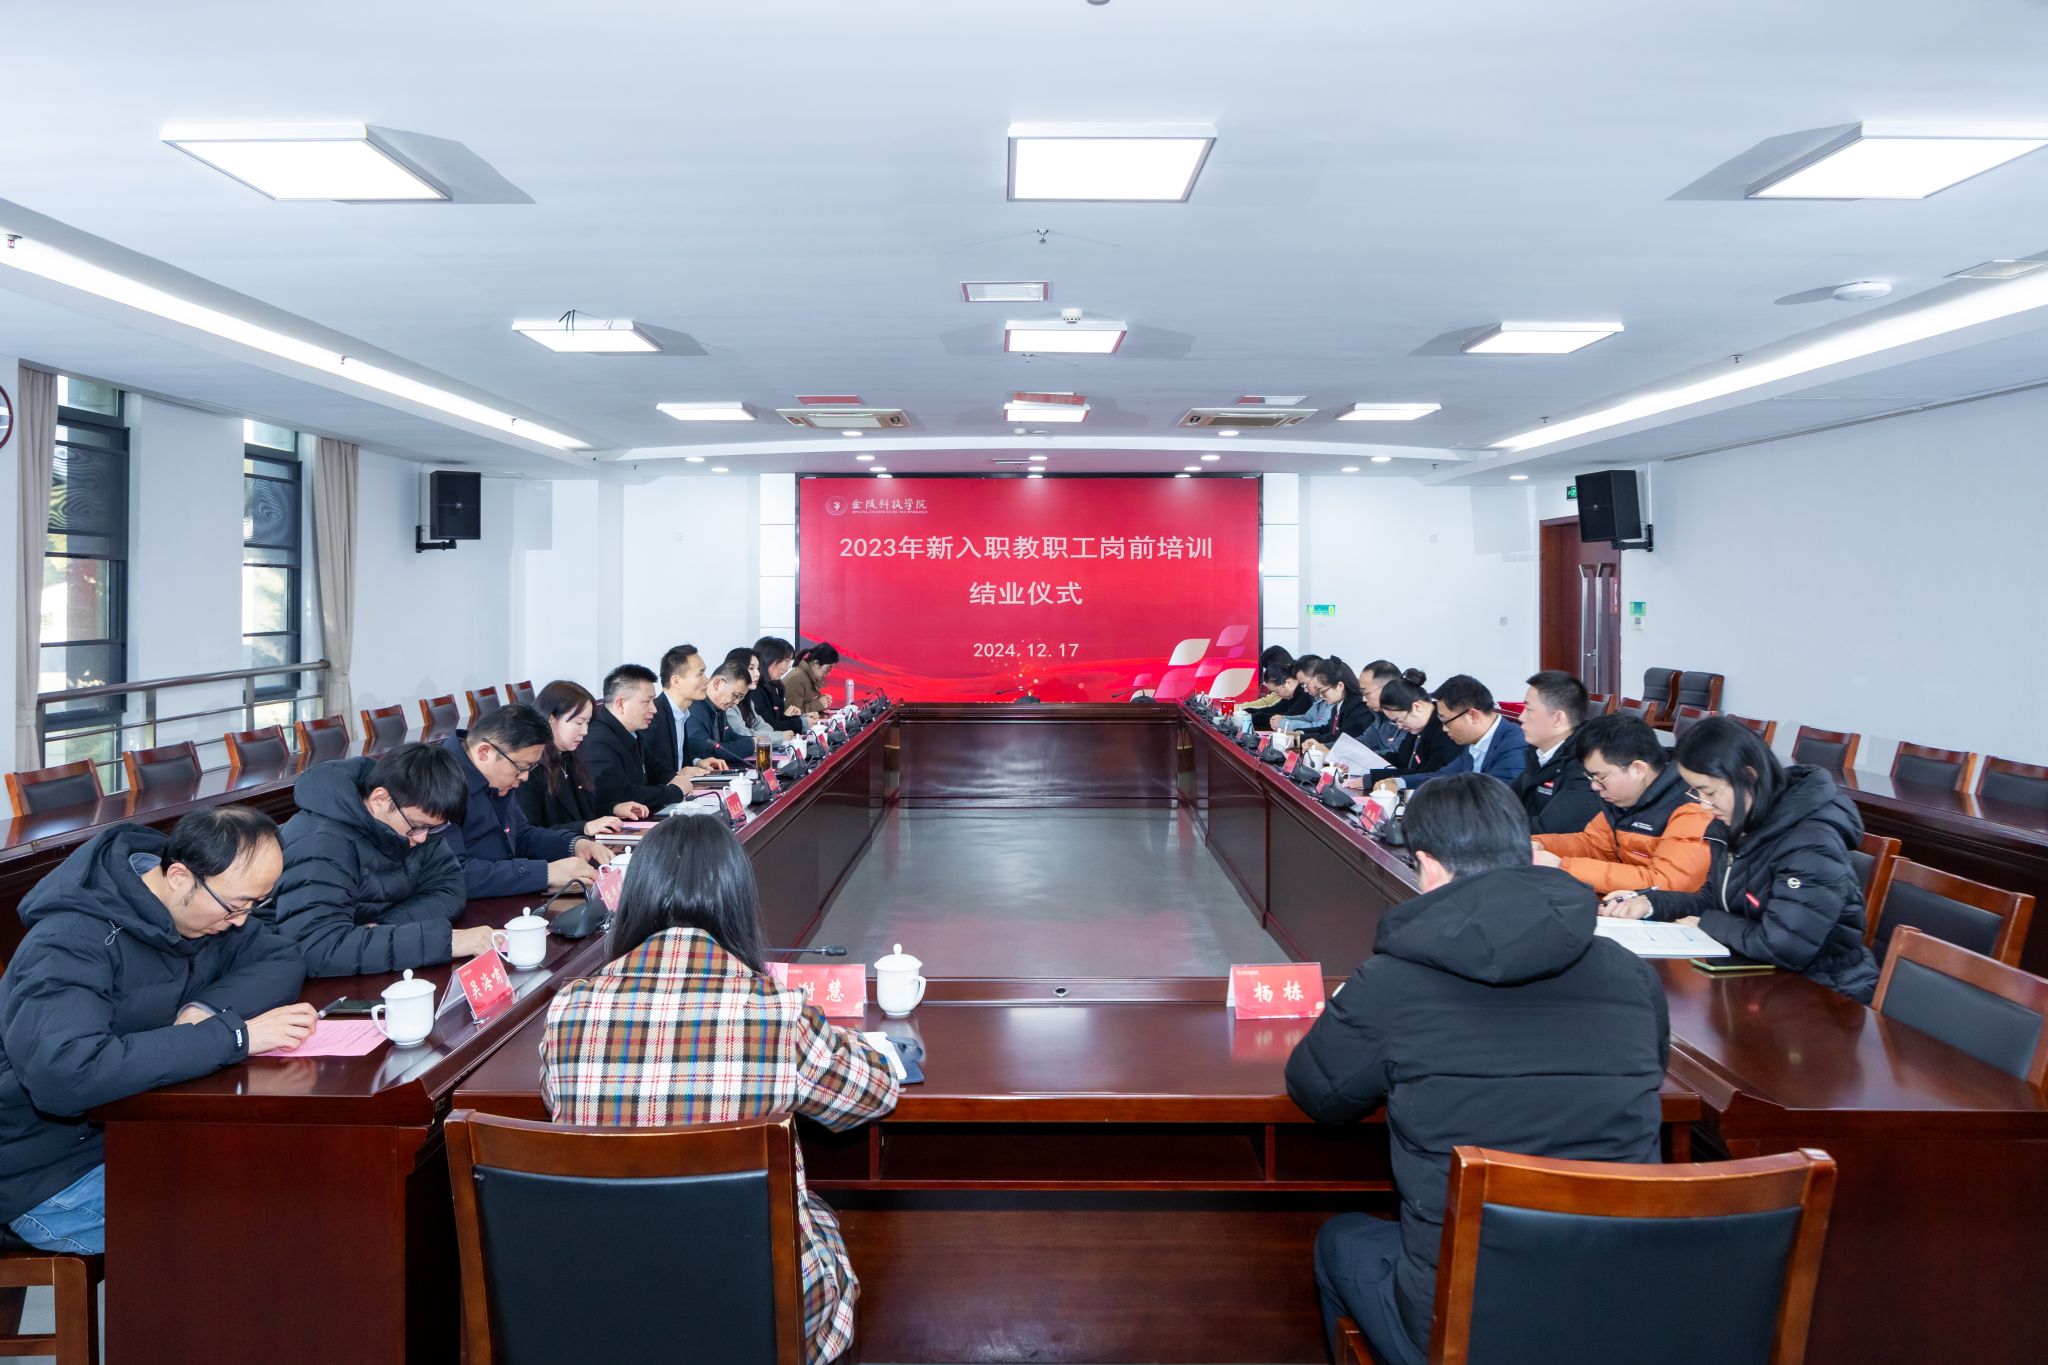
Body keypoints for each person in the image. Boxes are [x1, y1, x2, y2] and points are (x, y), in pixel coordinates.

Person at [1285, 774, 1668, 1365]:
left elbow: (1317, 1092)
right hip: (1626, 1305)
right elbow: (1651, 1070)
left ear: (1428, 866)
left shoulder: (1394, 982)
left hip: (1465, 1322)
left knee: (1342, 1240)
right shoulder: (1630, 972)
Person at [540, 815, 900, 1365]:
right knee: (820, 1220)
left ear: (634, 902)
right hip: (757, 1317)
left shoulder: (568, 1009)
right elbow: (875, 1093)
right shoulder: (779, 1015)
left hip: (601, 1313)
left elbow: (556, 1100)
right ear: (737, 905)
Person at [0, 807, 312, 1254]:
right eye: (236, 905)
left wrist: (202, 1012)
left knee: (298, 1182)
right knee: (249, 1230)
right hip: (41, 1174)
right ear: (180, 877)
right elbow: (64, 1074)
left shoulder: (207, 910)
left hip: (132, 1131)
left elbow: (282, 957)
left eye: (255, 905)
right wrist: (231, 1037)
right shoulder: (68, 942)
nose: (243, 921)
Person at [1606, 717, 1881, 1002]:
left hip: (1825, 995)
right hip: (1760, 980)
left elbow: (1783, 945)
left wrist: (1708, 922)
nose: (1703, 805)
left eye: (1709, 792)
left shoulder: (1812, 842)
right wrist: (1651, 903)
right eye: (1696, 791)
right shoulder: (1737, 822)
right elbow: (1714, 899)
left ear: (1748, 777)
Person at [269, 741, 498, 976]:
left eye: (432, 828)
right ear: (379, 799)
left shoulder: (417, 822)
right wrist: (441, 942)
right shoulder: (320, 842)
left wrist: (383, 927)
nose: (422, 838)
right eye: (417, 826)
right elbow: (317, 948)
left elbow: (449, 889)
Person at [1532, 712, 1713, 895]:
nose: (1595, 786)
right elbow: (1595, 844)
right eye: (1592, 777)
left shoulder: (1693, 808)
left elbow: (1665, 882)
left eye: (1601, 777)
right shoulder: (1623, 797)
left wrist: (1563, 866)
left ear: (1638, 769)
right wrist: (1537, 844)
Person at [442, 703, 608, 898]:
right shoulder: (439, 781)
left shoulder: (499, 777)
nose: (525, 777)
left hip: (506, 895)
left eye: (530, 767)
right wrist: (545, 873)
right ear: (484, 752)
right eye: (522, 767)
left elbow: (521, 836)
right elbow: (455, 874)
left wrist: (574, 844)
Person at [518, 680, 650, 836]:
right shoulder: (528, 769)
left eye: (587, 723)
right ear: (551, 719)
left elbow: (583, 810)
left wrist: (614, 808)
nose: (585, 731)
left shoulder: (568, 757)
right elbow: (528, 834)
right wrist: (584, 828)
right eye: (579, 723)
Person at [584, 663, 709, 813]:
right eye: (646, 702)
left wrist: (674, 778)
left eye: (653, 701)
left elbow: (655, 767)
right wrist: (673, 791)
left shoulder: (630, 730)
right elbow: (621, 795)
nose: (654, 709)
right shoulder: (598, 740)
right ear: (620, 704)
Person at [1377, 674, 1528, 791]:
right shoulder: (1474, 742)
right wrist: (1399, 782)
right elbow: (1443, 777)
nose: (1444, 728)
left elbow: (1492, 797)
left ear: (1473, 716)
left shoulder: (1515, 744)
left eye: (1445, 721)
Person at [1513, 670, 1604, 835]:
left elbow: (1547, 831)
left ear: (1557, 719)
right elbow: (1502, 801)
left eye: (1528, 709)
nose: (1521, 717)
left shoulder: (1585, 768)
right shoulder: (1539, 754)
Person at [646, 644, 731, 785]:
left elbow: (678, 762)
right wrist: (676, 775)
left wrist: (696, 762)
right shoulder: (652, 717)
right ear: (676, 681)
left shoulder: (682, 712)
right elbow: (647, 774)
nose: (706, 680)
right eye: (700, 674)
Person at [1370, 672, 1461, 781]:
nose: (1399, 726)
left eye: (1400, 720)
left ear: (1417, 707)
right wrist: (1368, 761)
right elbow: (1401, 760)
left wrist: (1374, 777)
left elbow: (1430, 774)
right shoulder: (1418, 728)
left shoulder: (1445, 731)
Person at [688, 657, 762, 767]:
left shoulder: (719, 708)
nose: (736, 702)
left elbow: (730, 737)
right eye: (735, 695)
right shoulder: (694, 708)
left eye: (741, 698)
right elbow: (708, 752)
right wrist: (751, 744)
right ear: (717, 683)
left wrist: (756, 740)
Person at [1297, 657, 1376, 744]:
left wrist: (1298, 739)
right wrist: (1299, 733)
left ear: (1340, 686)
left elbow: (1340, 739)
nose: (1321, 695)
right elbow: (1328, 729)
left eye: (1322, 691)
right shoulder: (1338, 706)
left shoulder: (1359, 707)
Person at [721, 648, 783, 746]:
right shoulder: (726, 702)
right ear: (735, 670)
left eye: (757, 668)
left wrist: (773, 736)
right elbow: (744, 734)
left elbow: (763, 726)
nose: (758, 674)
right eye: (751, 668)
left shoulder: (747, 699)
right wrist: (780, 737)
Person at [1269, 654, 1330, 735]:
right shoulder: (1319, 698)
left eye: (1305, 684)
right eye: (1303, 685)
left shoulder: (1332, 698)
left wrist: (1284, 723)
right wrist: (1284, 718)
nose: (1305, 690)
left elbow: (1321, 728)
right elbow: (1308, 717)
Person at [751, 636, 802, 734]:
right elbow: (768, 726)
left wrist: (796, 718)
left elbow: (776, 720)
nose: (787, 667)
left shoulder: (776, 687)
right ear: (768, 659)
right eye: (786, 661)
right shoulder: (754, 690)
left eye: (789, 662)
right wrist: (801, 723)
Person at [1249, 658, 1312, 731]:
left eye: (1276, 691)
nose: (1276, 695)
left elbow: (1288, 716)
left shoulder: (1305, 694)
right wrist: (1250, 711)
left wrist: (1253, 717)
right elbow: (1274, 708)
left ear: (1287, 683)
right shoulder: (1291, 695)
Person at [783, 642, 841, 718]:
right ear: (816, 663)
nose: (829, 673)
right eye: (828, 668)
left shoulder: (810, 677)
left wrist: (821, 700)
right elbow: (792, 715)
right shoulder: (797, 680)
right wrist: (819, 704)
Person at [1239, 647, 1296, 723]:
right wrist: (1242, 709)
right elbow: (1268, 703)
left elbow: (1289, 715)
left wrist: (1250, 715)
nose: (1269, 672)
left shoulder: (1299, 691)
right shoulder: (1283, 687)